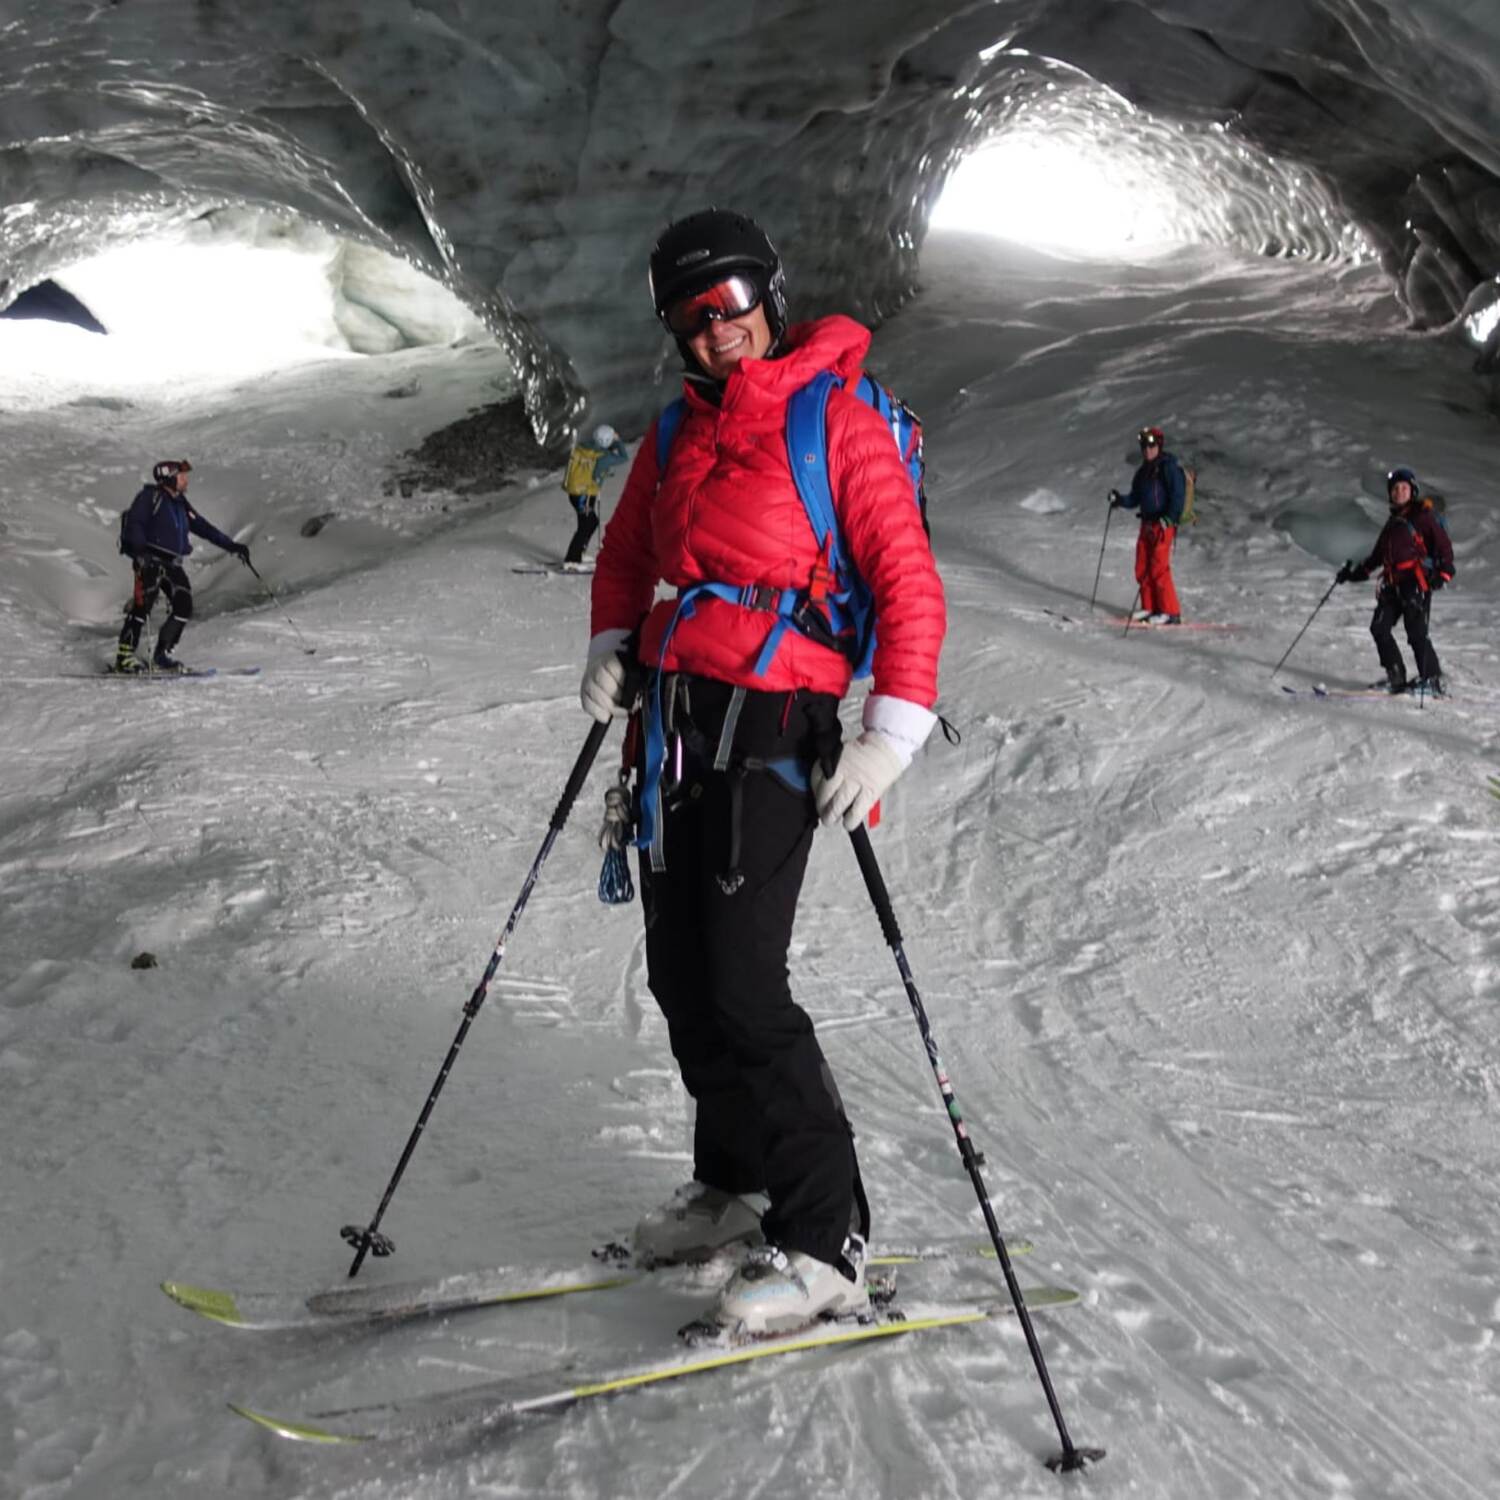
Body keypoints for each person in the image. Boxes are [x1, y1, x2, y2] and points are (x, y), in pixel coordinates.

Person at [580, 208, 945, 1337]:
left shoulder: (834, 420)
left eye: (730, 303)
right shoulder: (675, 434)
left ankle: (824, 1233)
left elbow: (907, 581)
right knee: (683, 979)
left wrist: (891, 728)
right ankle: (736, 1187)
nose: (714, 330)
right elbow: (630, 554)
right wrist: (609, 646)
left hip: (779, 730)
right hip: (679, 727)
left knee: (746, 988)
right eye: (690, 317)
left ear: (768, 298)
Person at [115, 460, 250, 673]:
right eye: (182, 475)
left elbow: (203, 527)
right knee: (143, 607)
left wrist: (231, 546)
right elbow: (135, 524)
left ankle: (161, 655)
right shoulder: (150, 497)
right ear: (169, 477)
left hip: (173, 564)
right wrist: (140, 553)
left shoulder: (180, 503)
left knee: (183, 606)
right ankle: (124, 657)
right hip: (149, 560)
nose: (186, 479)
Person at [1336, 466, 1454, 694]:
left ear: (1412, 491)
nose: (1399, 492)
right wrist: (1352, 575)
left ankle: (1432, 680)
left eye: (1404, 488)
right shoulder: (1392, 524)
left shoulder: (1422, 517)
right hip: (1393, 584)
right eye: (1395, 489)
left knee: (1417, 632)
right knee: (1379, 628)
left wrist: (1443, 574)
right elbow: (1376, 558)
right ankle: (1396, 676)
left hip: (1416, 582)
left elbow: (1444, 548)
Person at [1110, 425, 1187, 624]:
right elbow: (1135, 498)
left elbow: (1178, 496)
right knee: (1142, 567)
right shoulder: (1143, 472)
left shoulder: (1168, 468)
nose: (1147, 450)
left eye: (1151, 446)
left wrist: (1170, 517)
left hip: (1163, 524)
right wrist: (1119, 500)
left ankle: (1170, 612)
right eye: (1144, 446)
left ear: (1159, 446)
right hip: (1147, 525)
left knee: (1159, 568)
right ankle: (1149, 607)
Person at [560, 424, 629, 566]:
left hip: (576, 492)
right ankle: (572, 559)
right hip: (584, 495)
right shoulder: (604, 457)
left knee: (589, 523)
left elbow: (592, 471)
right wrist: (618, 441)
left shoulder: (584, 448)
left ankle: (578, 553)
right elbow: (624, 457)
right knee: (587, 524)